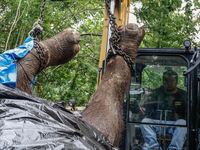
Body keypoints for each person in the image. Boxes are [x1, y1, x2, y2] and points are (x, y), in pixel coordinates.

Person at [140, 70, 187, 150]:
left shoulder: (183, 95)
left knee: (183, 123)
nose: (169, 83)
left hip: (175, 124)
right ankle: (154, 147)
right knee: (144, 122)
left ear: (176, 82)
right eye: (166, 81)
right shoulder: (156, 93)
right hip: (157, 123)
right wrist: (142, 109)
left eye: (171, 81)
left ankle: (174, 148)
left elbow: (188, 111)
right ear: (163, 82)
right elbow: (146, 106)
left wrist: (179, 116)